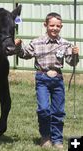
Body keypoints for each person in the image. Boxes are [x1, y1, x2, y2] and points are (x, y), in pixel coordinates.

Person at [15, 12, 79, 149]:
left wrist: (75, 54)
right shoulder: (37, 42)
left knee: (58, 112)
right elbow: (24, 55)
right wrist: (18, 46)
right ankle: (45, 137)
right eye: (52, 25)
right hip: (42, 79)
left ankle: (57, 139)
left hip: (58, 79)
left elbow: (72, 63)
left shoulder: (65, 44)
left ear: (61, 26)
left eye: (58, 26)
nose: (55, 28)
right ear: (45, 25)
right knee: (44, 109)